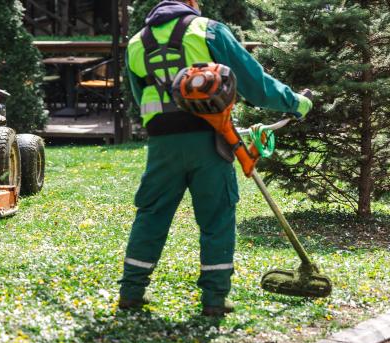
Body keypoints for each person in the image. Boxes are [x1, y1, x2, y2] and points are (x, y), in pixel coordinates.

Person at [118, 0, 313, 317]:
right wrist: (296, 103)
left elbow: (140, 97)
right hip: (210, 139)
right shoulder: (208, 30)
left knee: (151, 214)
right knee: (216, 218)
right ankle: (214, 299)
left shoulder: (137, 41)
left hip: (162, 144)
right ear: (191, 2)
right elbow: (255, 83)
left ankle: (131, 291)